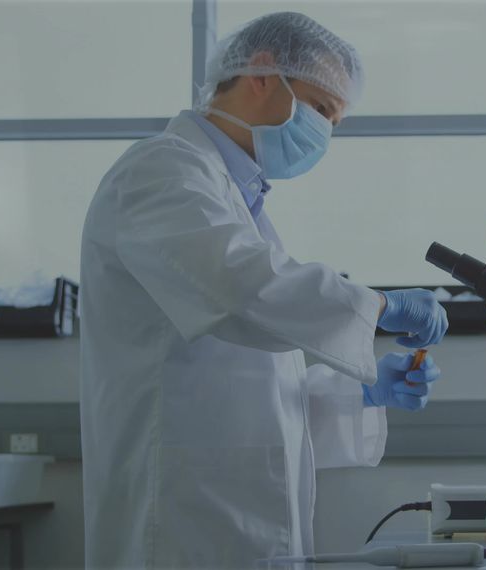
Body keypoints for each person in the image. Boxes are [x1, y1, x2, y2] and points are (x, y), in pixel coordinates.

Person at [79, 12, 448, 568]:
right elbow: (242, 288)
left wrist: (359, 393)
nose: (324, 132)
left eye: (334, 121)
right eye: (321, 109)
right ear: (261, 72)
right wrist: (378, 306)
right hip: (177, 523)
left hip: (227, 517)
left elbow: (253, 385)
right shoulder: (159, 172)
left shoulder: (235, 198)